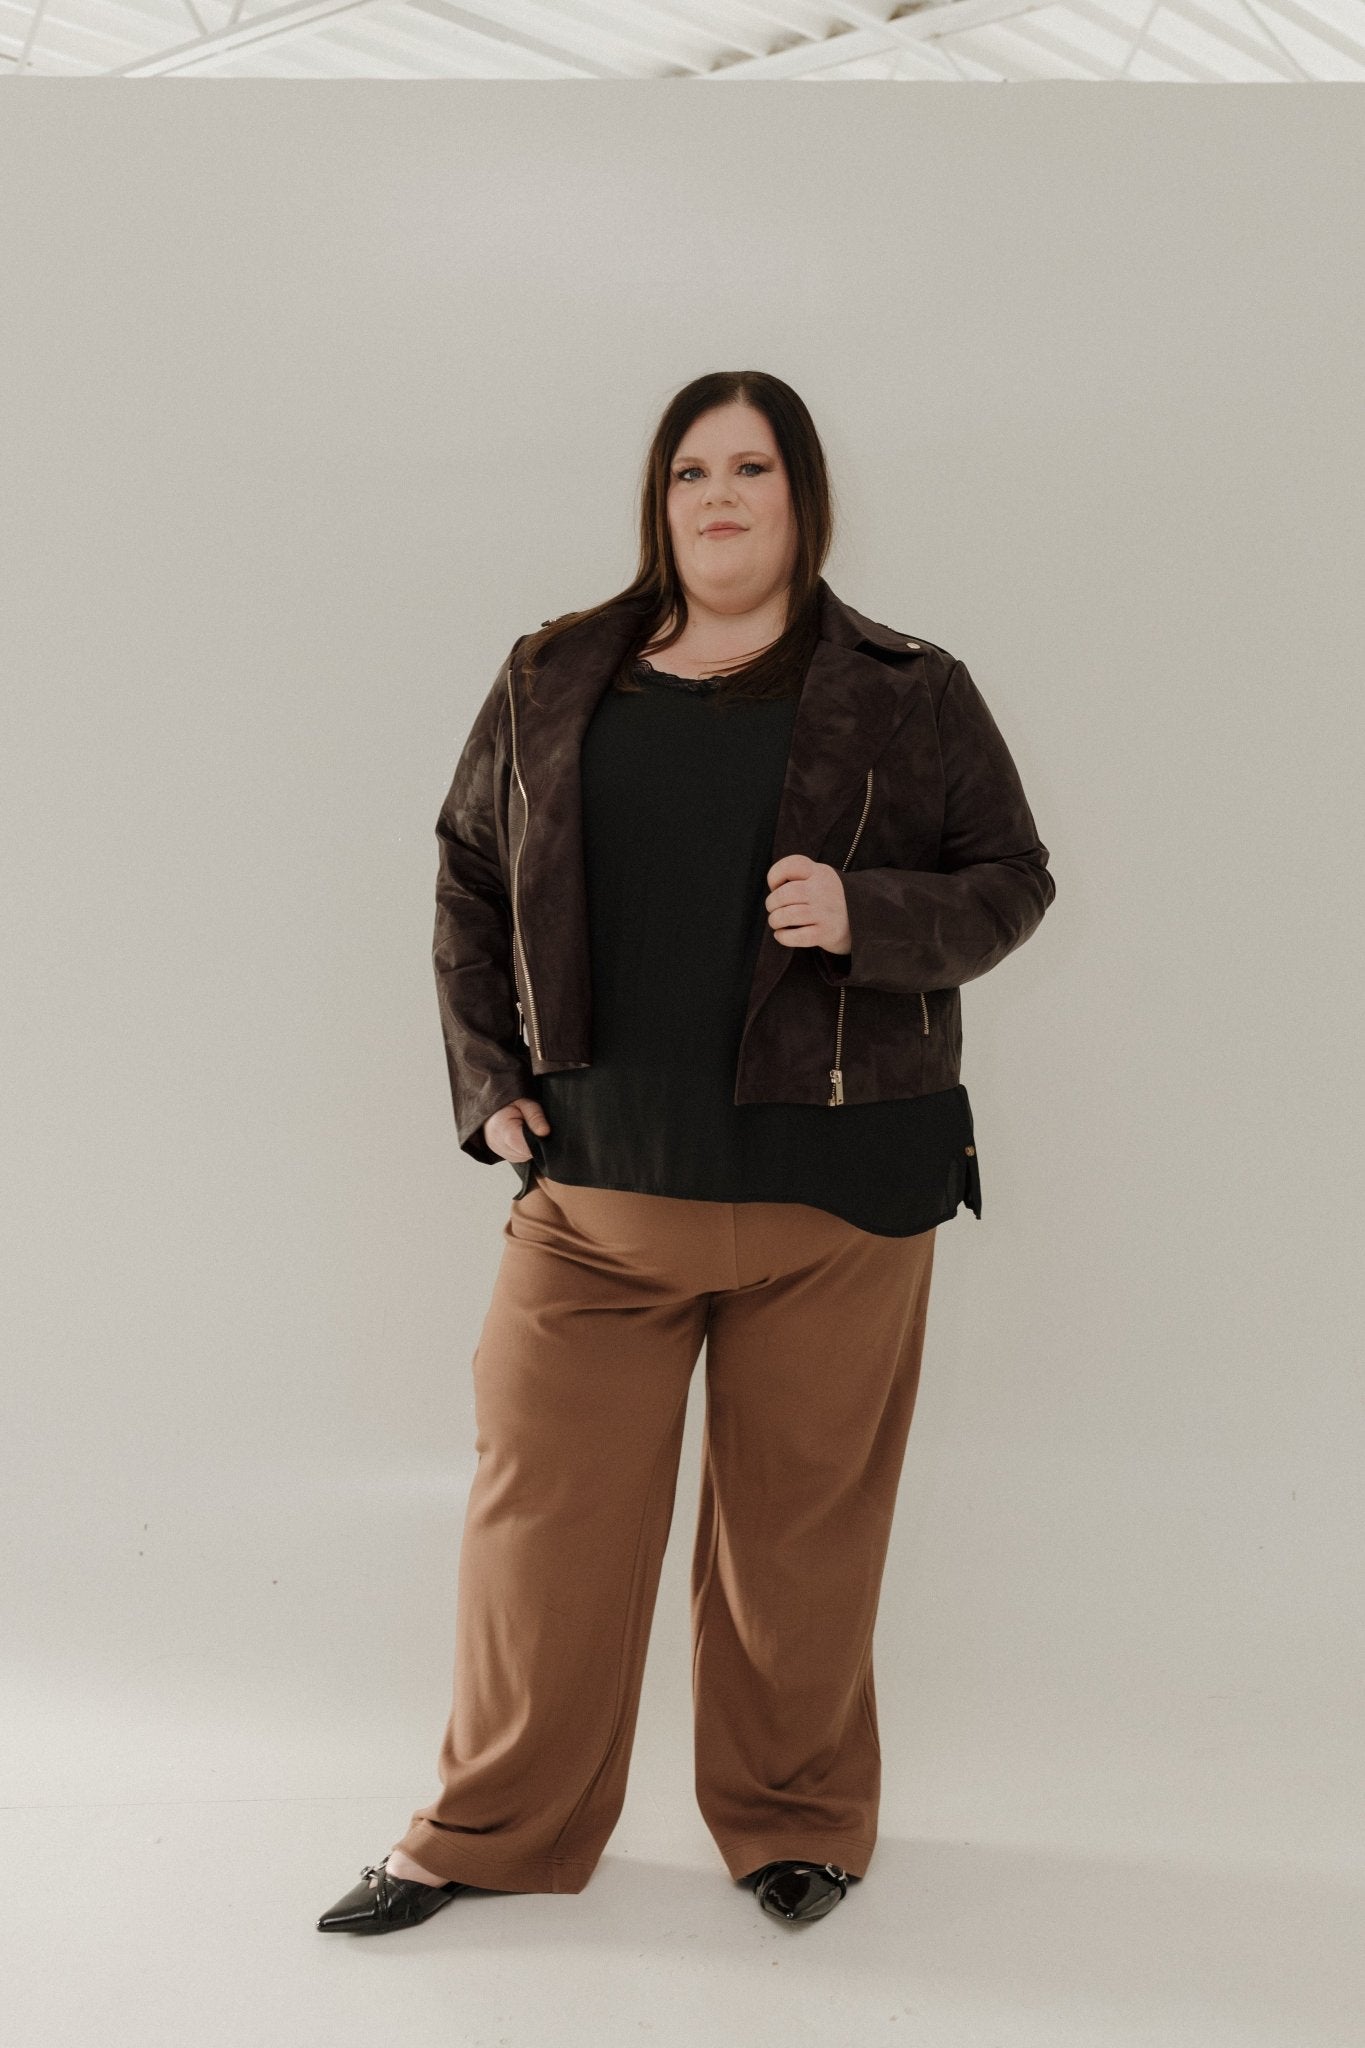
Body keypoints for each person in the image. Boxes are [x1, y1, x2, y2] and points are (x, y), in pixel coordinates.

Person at [317, 370, 1056, 1935]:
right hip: (593, 1197)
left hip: (840, 1200)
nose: (719, 496)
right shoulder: (551, 675)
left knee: (799, 1548)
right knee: (540, 1538)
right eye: (690, 471)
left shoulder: (907, 687)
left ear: (802, 497)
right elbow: (467, 876)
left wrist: (868, 915)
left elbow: (1010, 877)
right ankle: (489, 1831)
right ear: (659, 500)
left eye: (752, 469)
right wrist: (487, 1079)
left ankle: (792, 1825)